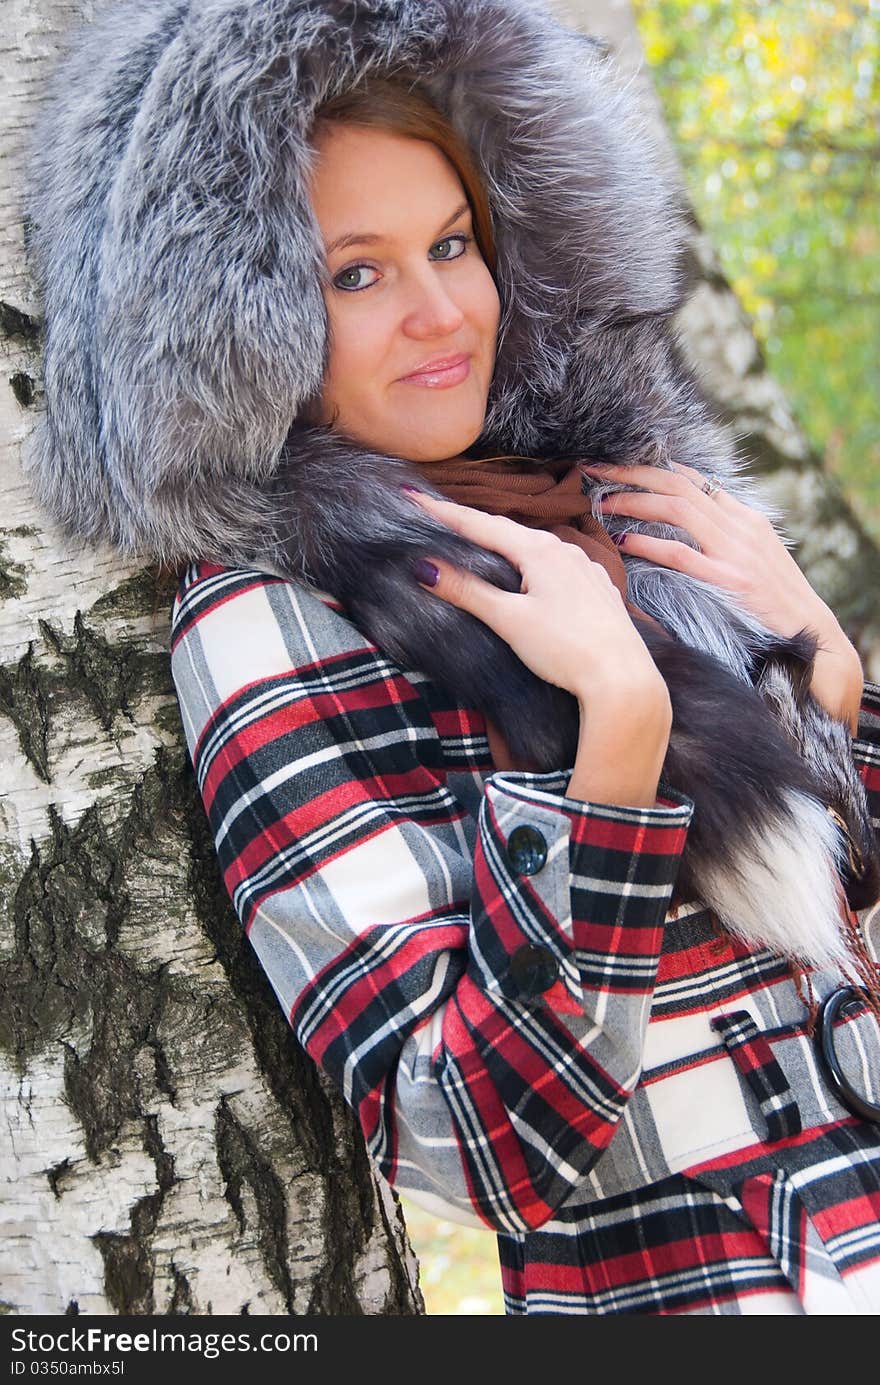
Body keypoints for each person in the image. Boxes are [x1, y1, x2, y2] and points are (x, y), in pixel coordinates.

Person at [26, 0, 880, 1315]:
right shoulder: (272, 620)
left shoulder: (615, 504)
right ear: (247, 324)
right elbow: (472, 1138)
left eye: (453, 244)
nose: (438, 312)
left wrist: (828, 689)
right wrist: (617, 752)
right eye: (354, 273)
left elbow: (831, 946)